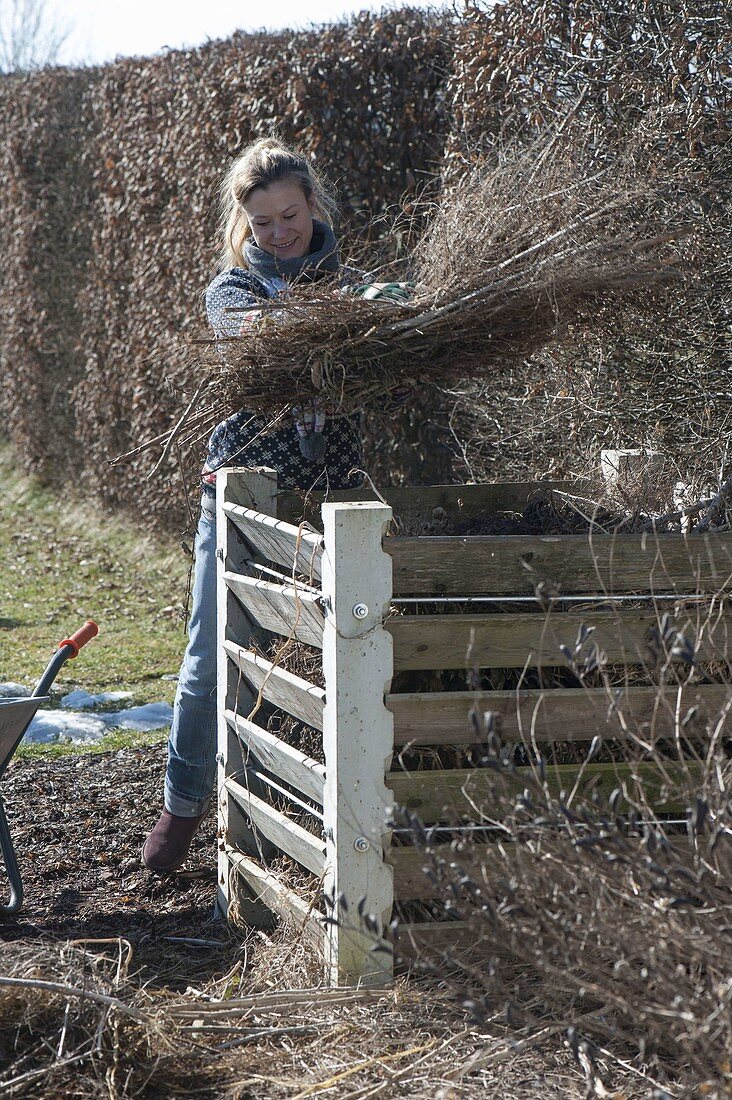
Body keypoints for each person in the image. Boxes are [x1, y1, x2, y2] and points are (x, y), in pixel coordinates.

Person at [142, 138, 364, 874]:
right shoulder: (231, 293)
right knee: (211, 658)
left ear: (313, 208)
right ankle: (181, 809)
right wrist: (344, 322)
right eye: (262, 222)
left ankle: (296, 810)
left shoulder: (353, 285)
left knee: (322, 661)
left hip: (329, 496)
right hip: (239, 497)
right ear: (245, 225)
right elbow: (259, 338)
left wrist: (383, 319)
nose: (279, 233)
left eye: (290, 215)